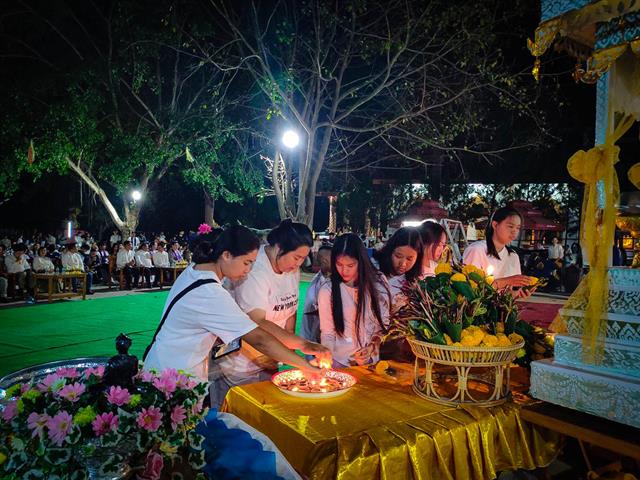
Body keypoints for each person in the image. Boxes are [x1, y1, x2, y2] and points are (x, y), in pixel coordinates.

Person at [143, 226, 330, 407]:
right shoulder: (210, 294)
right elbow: (259, 338)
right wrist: (305, 365)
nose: (248, 270)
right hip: (172, 378)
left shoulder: (196, 270)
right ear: (226, 255)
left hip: (170, 367)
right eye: (247, 262)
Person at [216, 219, 317, 399]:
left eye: (303, 258)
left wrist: (287, 353)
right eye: (296, 257)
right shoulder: (255, 271)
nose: (298, 264)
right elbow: (257, 322)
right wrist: (304, 347)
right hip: (239, 365)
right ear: (278, 247)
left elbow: (290, 310)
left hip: (270, 360)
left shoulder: (291, 269)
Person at [318, 233, 391, 367]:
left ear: (361, 262)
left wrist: (372, 346)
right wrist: (326, 354)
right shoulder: (327, 290)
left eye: (350, 265)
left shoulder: (378, 283)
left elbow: (383, 323)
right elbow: (327, 332)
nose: (344, 271)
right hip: (339, 361)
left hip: (371, 363)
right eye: (339, 264)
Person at [463, 206, 533, 296]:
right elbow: (470, 290)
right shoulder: (477, 250)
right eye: (510, 226)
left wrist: (517, 293)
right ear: (495, 225)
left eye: (518, 228)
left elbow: (510, 292)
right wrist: (506, 281)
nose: (514, 231)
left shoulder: (513, 256)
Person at [373, 227, 423, 307]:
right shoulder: (373, 268)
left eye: (409, 259)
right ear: (390, 251)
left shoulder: (416, 284)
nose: (403, 264)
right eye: (398, 256)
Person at [300, 246, 332, 344]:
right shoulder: (317, 278)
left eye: (325, 259)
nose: (321, 261)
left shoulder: (339, 282)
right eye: (320, 258)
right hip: (312, 331)